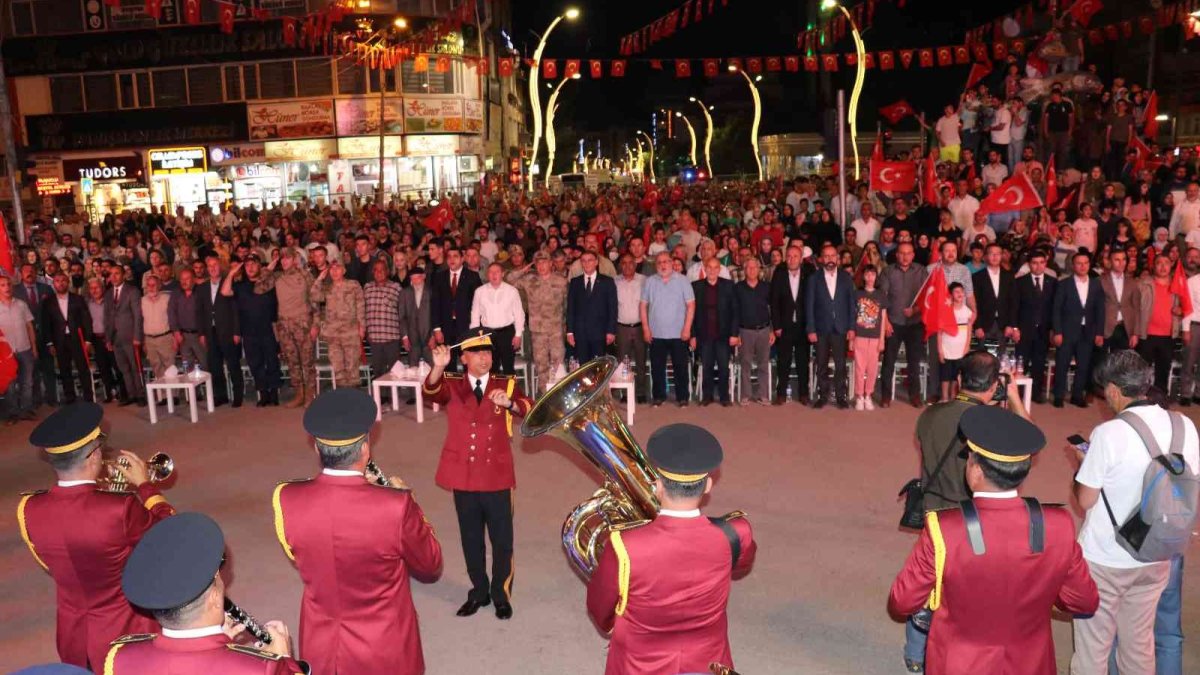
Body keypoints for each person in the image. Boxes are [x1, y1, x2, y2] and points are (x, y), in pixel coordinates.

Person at [888, 405, 1100, 675]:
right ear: (1023, 470)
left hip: (959, 664)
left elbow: (901, 601)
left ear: (976, 471)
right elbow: (1085, 600)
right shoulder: (1059, 525)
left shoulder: (944, 529)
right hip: (1031, 664)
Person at [272, 388, 443, 674]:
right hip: (385, 648)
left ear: (316, 447)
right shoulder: (396, 506)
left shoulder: (285, 497)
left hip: (322, 645)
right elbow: (430, 564)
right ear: (365, 448)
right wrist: (406, 499)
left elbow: (298, 553)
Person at [586, 423, 756, 675]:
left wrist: (616, 626)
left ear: (657, 485)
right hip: (707, 661)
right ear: (708, 485)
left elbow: (599, 607)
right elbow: (742, 563)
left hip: (638, 664)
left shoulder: (624, 544)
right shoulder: (737, 532)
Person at [18, 402, 175, 670]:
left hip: (72, 635)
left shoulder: (28, 508)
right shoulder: (119, 507)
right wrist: (145, 486)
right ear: (93, 456)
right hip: (126, 632)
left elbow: (51, 563)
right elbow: (169, 536)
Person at [1070, 350, 1200, 675]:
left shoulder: (1108, 434)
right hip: (1158, 553)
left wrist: (1083, 466)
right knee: (1139, 646)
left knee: (1092, 651)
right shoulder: (1185, 425)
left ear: (1114, 390)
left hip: (1107, 558)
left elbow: (1085, 500)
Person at [902, 350, 1030, 670]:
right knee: (966, 593)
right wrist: (1013, 398)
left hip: (934, 514)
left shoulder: (928, 415)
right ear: (992, 387)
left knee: (928, 584)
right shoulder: (991, 423)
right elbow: (1029, 440)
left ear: (959, 380)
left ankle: (915, 654)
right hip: (973, 521)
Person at [422, 332, 534, 620]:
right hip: (464, 475)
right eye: (478, 353)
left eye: (488, 353)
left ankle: (500, 594)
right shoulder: (452, 384)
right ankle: (479, 591)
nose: (485, 358)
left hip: (496, 475)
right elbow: (429, 393)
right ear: (464, 358)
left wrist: (510, 404)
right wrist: (437, 366)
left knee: (502, 540)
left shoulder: (506, 384)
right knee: (471, 538)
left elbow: (531, 409)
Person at [111, 512, 305, 673]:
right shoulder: (263, 668)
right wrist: (284, 661)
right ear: (213, 598)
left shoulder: (120, 655)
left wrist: (219, 646)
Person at [256, 248, 316, 407]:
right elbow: (258, 288)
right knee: (292, 362)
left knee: (307, 362)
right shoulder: (277, 277)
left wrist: (315, 324)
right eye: (281, 258)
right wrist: (268, 268)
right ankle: (299, 394)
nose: (284, 261)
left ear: (295, 259)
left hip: (302, 324)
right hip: (284, 326)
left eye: (287, 258)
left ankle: (310, 394)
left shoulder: (305, 275)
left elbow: (315, 301)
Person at [1050, 251, 1106, 408]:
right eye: (1079, 263)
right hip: (1067, 331)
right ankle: (1058, 396)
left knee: (1084, 365)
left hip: (1088, 331)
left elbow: (1100, 310)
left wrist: (1099, 333)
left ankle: (1076, 395)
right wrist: (1058, 331)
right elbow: (1056, 309)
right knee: (1062, 364)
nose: (1082, 266)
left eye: (1086, 263)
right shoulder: (1064, 284)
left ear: (1089, 265)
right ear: (1073, 266)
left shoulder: (1096, 284)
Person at [223, 257, 282, 406]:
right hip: (249, 331)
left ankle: (274, 392)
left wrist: (267, 271)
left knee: (272, 361)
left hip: (268, 328)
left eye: (253, 264)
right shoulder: (240, 286)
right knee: (255, 363)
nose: (250, 267)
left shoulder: (268, 284)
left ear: (259, 266)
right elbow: (224, 292)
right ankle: (263, 393)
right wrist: (231, 273)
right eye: (247, 265)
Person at [506, 252, 568, 394]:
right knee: (541, 365)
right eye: (538, 263)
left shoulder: (561, 281)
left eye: (544, 262)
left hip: (556, 330)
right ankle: (545, 395)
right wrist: (523, 270)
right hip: (537, 331)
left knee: (558, 364)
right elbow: (508, 280)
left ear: (551, 263)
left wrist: (565, 325)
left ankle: (559, 394)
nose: (541, 266)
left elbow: (567, 305)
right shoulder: (529, 280)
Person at [641, 251, 696, 407]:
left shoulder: (683, 281)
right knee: (657, 367)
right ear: (655, 265)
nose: (662, 265)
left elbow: (691, 305)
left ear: (672, 263)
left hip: (679, 333)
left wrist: (687, 328)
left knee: (680, 367)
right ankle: (659, 396)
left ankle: (682, 397)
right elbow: (643, 305)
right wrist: (646, 328)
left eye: (666, 261)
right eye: (659, 262)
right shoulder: (650, 281)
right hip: (656, 333)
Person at [806, 244, 856, 409]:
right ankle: (823, 395)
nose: (829, 259)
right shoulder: (814, 278)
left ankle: (841, 396)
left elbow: (851, 304)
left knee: (840, 364)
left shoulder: (846, 278)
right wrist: (811, 329)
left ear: (837, 259)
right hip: (820, 328)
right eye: (826, 256)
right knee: (821, 364)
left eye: (832, 256)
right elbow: (809, 305)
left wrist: (851, 327)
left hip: (841, 328)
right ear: (821, 259)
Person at [879, 242, 928, 408]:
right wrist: (885, 323)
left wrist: (915, 309)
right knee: (889, 361)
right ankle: (885, 396)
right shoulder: (888, 271)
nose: (905, 256)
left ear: (913, 255)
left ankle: (914, 395)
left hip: (915, 323)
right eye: (902, 253)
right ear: (896, 254)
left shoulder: (921, 271)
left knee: (913, 361)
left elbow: (928, 297)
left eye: (908, 253)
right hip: (893, 323)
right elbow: (882, 298)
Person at [1136, 255, 1186, 397]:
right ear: (1153, 266)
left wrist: (1181, 310)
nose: (1163, 266)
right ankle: (1141, 398)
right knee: (1142, 369)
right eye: (1159, 263)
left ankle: (1160, 398)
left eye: (1166, 263)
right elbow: (1134, 307)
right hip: (1147, 334)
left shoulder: (1178, 285)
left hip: (1168, 335)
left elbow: (1187, 305)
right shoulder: (1142, 283)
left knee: (1163, 369)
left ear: (1171, 265)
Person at [690, 256, 738, 406]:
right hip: (704, 334)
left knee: (724, 367)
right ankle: (707, 396)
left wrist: (734, 334)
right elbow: (690, 313)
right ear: (705, 269)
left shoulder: (729, 285)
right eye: (708, 267)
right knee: (707, 366)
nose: (711, 270)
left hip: (723, 334)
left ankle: (724, 397)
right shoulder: (696, 286)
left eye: (714, 267)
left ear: (719, 269)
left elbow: (735, 311)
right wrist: (692, 335)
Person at [197, 255, 243, 407]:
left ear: (220, 266)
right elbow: (200, 312)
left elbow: (236, 310)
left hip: (228, 332)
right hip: (211, 333)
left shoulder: (229, 283)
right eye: (209, 266)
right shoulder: (202, 287)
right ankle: (221, 395)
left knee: (233, 365)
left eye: (215, 265)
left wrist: (237, 331)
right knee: (215, 366)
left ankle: (237, 396)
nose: (212, 268)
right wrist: (202, 333)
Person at [311, 260, 365, 389]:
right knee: (338, 368)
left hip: (350, 332)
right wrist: (319, 278)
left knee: (352, 367)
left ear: (344, 270)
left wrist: (362, 326)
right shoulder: (326, 287)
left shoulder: (353, 285)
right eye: (332, 269)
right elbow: (314, 296)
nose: (334, 271)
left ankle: (354, 399)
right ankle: (343, 398)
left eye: (338, 268)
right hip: (333, 334)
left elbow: (360, 305)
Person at [41, 272, 93, 404]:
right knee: (65, 369)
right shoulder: (48, 302)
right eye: (58, 280)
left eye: (63, 280)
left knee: (83, 368)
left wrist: (88, 340)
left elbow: (86, 320)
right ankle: (70, 397)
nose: (61, 283)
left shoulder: (78, 299)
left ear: (68, 282)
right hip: (59, 340)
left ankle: (88, 397)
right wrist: (49, 343)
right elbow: (46, 324)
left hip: (77, 338)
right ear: (54, 284)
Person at [769, 245, 811, 405]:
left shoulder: (808, 275)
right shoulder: (779, 275)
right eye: (789, 256)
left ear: (801, 259)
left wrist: (810, 326)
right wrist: (777, 325)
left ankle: (803, 393)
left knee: (803, 361)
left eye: (795, 256)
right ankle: (781, 393)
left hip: (803, 326)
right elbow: (774, 303)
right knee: (783, 361)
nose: (792, 259)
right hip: (784, 326)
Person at [1014, 249, 1058, 403]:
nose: (1038, 266)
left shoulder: (1053, 283)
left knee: (1039, 362)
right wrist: (1015, 328)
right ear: (1029, 264)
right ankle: (1017, 393)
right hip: (1024, 329)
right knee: (1022, 361)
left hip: (1043, 330)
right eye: (1034, 263)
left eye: (1041, 263)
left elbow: (1055, 308)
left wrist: (1054, 329)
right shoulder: (1020, 282)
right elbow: (1015, 307)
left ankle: (1036, 393)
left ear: (1045, 263)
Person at [430, 243, 482, 371]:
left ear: (462, 259)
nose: (452, 260)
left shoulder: (472, 277)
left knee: (469, 362)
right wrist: (436, 329)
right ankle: (451, 390)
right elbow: (435, 304)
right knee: (448, 363)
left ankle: (471, 390)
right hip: (445, 328)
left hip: (466, 326)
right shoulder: (439, 277)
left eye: (455, 256)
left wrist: (476, 329)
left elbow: (479, 304)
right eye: (449, 257)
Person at [13, 263, 57, 407]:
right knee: (32, 370)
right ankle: (36, 400)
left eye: (32, 270)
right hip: (25, 336)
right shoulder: (14, 291)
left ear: (36, 272)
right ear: (21, 272)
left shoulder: (46, 288)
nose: (29, 273)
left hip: (46, 334)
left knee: (48, 368)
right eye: (26, 270)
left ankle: (52, 398)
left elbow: (53, 311)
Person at [471, 262, 526, 374]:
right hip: (487, 334)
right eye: (491, 272)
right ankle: (491, 391)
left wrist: (518, 335)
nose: (494, 275)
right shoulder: (480, 291)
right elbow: (475, 314)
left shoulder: (512, 291)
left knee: (508, 368)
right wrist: (475, 335)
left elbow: (519, 314)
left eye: (497, 272)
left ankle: (510, 392)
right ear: (487, 275)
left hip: (507, 333)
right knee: (490, 368)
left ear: (503, 274)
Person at [566, 251, 618, 365]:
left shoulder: (607, 281)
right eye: (583, 261)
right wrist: (569, 332)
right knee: (583, 367)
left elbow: (612, 308)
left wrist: (611, 331)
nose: (587, 263)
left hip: (600, 332)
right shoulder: (575, 282)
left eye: (590, 260)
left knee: (598, 367)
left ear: (596, 262)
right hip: (580, 333)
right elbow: (571, 308)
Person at [104, 265, 145, 406]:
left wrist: (138, 336)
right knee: (123, 368)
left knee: (135, 367)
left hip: (130, 336)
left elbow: (138, 316)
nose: (114, 277)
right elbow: (107, 317)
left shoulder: (132, 291)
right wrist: (108, 338)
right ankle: (131, 394)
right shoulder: (108, 293)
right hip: (115, 338)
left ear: (123, 275)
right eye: (111, 274)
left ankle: (140, 395)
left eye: (117, 273)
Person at [734, 256, 772, 405]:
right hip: (745, 331)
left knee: (763, 364)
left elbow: (772, 309)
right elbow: (735, 312)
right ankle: (746, 395)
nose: (751, 270)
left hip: (764, 330)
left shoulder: (766, 287)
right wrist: (736, 333)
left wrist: (772, 330)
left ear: (759, 270)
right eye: (748, 268)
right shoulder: (737, 288)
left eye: (754, 267)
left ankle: (763, 394)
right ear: (744, 270)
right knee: (746, 364)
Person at [970, 243, 1016, 357]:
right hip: (984, 325)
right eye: (991, 254)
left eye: (998, 254)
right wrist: (977, 325)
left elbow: (1013, 302)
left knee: (1000, 358)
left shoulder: (1009, 276)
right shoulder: (977, 277)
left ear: (1002, 256)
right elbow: (974, 303)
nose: (995, 257)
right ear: (985, 257)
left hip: (1003, 324)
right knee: (983, 358)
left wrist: (1011, 324)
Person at [363, 259, 405, 380]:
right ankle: (381, 397)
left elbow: (403, 311)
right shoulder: (367, 287)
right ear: (372, 272)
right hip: (374, 337)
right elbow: (363, 310)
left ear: (387, 271)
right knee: (378, 370)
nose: (379, 272)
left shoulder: (396, 287)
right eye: (376, 270)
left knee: (394, 370)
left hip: (392, 337)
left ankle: (394, 396)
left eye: (382, 270)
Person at [612, 253, 648, 398]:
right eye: (624, 263)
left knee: (640, 361)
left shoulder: (644, 280)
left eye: (630, 263)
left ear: (635, 264)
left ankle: (640, 393)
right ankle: (626, 393)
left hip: (640, 327)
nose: (627, 266)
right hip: (622, 327)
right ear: (620, 265)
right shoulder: (614, 281)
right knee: (623, 363)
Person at [853, 265, 887, 410]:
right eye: (867, 274)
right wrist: (851, 338)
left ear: (876, 277)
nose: (870, 277)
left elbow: (884, 317)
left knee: (872, 368)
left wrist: (882, 339)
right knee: (860, 368)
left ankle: (868, 395)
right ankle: (859, 396)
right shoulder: (857, 294)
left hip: (875, 337)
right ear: (863, 277)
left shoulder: (881, 295)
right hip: (859, 335)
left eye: (873, 274)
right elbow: (852, 316)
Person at [85, 277, 120, 403]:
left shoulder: (111, 302)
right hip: (96, 339)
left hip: (111, 338)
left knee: (117, 366)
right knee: (103, 367)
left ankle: (122, 392)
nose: (94, 290)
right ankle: (110, 393)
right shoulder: (87, 304)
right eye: (92, 288)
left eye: (97, 287)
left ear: (103, 288)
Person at [938, 283, 974, 402]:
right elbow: (939, 332)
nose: (959, 294)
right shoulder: (946, 310)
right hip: (947, 348)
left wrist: (967, 346)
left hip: (960, 349)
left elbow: (969, 331)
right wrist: (940, 350)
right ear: (951, 295)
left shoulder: (968, 312)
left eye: (961, 291)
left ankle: (953, 397)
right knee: (945, 375)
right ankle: (944, 397)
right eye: (956, 292)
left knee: (955, 376)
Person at [167, 269, 206, 378]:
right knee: (187, 368)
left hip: (200, 335)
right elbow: (171, 313)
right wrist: (176, 332)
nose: (184, 282)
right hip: (183, 336)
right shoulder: (176, 293)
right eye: (182, 279)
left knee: (205, 365)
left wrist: (204, 334)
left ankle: (209, 393)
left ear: (194, 280)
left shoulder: (201, 292)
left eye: (187, 279)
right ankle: (194, 394)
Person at [139, 273, 176, 386]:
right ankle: (163, 395)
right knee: (156, 367)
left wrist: (175, 337)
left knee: (170, 367)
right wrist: (143, 341)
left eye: (153, 285)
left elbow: (174, 318)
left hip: (165, 337)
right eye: (149, 285)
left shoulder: (167, 299)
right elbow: (140, 321)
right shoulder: (142, 301)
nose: (151, 287)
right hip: (149, 339)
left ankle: (173, 395)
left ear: (159, 285)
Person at [401, 266, 434, 368]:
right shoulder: (404, 293)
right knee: (412, 370)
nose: (415, 281)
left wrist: (433, 336)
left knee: (433, 369)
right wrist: (405, 337)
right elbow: (402, 317)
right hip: (412, 339)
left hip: (429, 338)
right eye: (412, 278)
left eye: (418, 277)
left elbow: (436, 315)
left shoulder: (431, 292)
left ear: (424, 276)